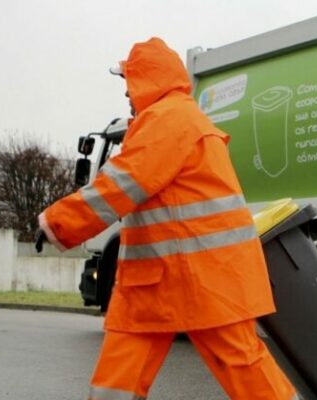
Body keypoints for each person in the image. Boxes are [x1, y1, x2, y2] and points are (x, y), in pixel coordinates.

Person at [36, 37, 296, 399]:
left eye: (129, 79)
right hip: (170, 280)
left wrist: (57, 222)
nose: (126, 91)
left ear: (147, 78)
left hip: (199, 277)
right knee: (125, 374)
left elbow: (122, 184)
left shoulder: (168, 119)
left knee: (240, 365)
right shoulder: (173, 118)